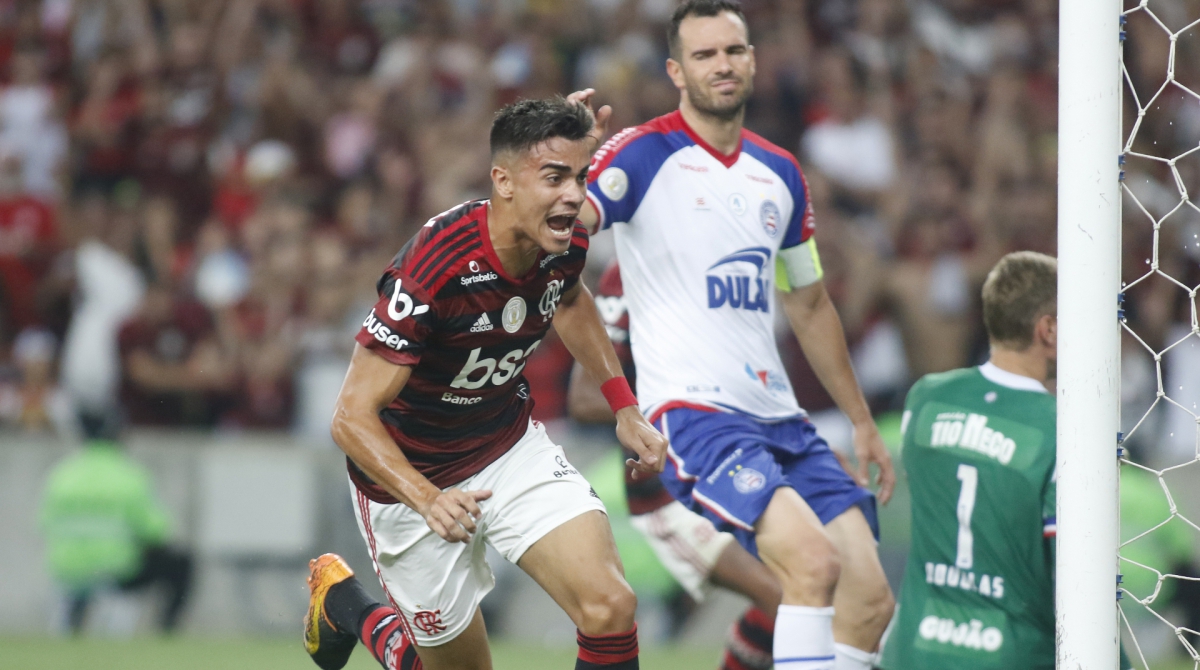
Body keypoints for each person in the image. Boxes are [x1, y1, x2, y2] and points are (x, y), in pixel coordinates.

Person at [576, 2, 896, 668]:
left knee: (869, 600)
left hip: (782, 417)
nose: (723, 65)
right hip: (696, 415)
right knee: (808, 566)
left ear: (752, 60)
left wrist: (862, 422)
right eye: (705, 54)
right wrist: (560, 159)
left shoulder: (779, 172)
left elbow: (809, 304)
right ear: (676, 70)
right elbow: (566, 222)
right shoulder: (641, 153)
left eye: (734, 51)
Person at [304, 97, 668, 670]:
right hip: (411, 479)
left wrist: (624, 406)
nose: (574, 195)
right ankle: (351, 608)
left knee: (609, 605)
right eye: (554, 178)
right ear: (503, 181)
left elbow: (570, 299)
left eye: (581, 176)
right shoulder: (437, 264)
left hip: (506, 446)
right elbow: (349, 417)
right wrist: (428, 499)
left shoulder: (563, 237)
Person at [877, 252, 1132, 669]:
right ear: (1047, 330)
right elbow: (1073, 579)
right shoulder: (1068, 431)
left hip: (914, 650)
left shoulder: (926, 397)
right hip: (1010, 654)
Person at [568, 260, 781, 670]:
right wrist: (683, 416)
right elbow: (585, 399)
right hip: (671, 493)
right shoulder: (630, 272)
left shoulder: (729, 261)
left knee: (813, 584)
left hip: (740, 474)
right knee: (784, 599)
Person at [39, 412, 193, 634]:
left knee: (81, 574)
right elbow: (157, 531)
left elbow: (43, 523)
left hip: (66, 567)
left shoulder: (61, 474)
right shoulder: (129, 475)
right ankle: (166, 629)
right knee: (181, 561)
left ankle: (77, 608)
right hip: (115, 568)